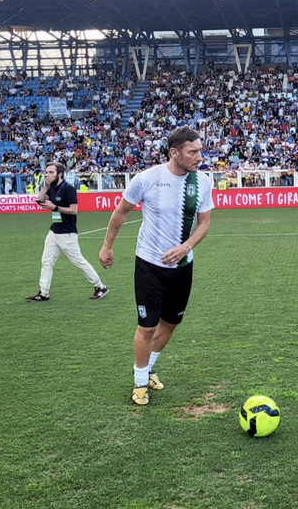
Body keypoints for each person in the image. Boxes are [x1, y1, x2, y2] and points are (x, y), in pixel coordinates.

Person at [98, 126, 214, 406]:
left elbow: (205, 224)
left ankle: (148, 368)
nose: (200, 156)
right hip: (149, 265)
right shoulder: (147, 179)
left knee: (171, 324)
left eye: (200, 151)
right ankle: (139, 384)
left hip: (183, 266)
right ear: (175, 153)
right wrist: (107, 245)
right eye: (193, 151)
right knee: (147, 327)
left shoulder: (203, 182)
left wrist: (186, 247)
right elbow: (121, 213)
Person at [26, 162, 109, 302]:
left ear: (59, 174)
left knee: (78, 261)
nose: (48, 175)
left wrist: (55, 208)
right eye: (47, 172)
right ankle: (43, 293)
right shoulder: (51, 188)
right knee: (47, 262)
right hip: (54, 231)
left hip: (67, 233)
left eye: (51, 172)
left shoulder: (68, 189)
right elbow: (39, 200)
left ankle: (100, 286)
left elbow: (74, 210)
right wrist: (45, 186)